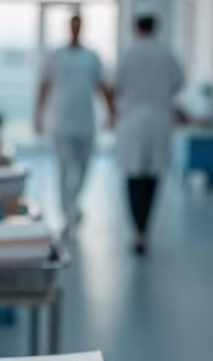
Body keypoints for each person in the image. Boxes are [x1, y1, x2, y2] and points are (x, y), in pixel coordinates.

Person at [34, 13, 114, 232]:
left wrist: (111, 113)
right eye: (73, 26)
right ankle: (68, 215)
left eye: (79, 26)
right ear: (68, 27)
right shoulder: (56, 56)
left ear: (83, 28)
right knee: (65, 170)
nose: (76, 29)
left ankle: (72, 206)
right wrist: (38, 116)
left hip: (86, 122)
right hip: (62, 122)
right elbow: (44, 86)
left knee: (83, 171)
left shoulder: (92, 56)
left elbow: (103, 87)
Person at [114, 13, 185, 254]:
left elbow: (116, 85)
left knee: (133, 176)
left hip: (132, 122)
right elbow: (178, 83)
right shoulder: (167, 54)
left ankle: (138, 230)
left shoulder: (128, 53)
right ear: (156, 27)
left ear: (136, 28)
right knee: (152, 177)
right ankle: (145, 229)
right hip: (158, 121)